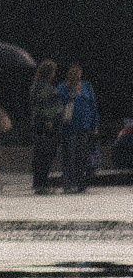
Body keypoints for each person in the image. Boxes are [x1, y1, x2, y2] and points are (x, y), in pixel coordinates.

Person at [60, 63, 98, 194]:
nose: (75, 76)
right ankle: (68, 183)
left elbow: (93, 106)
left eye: (78, 74)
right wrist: (70, 93)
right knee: (69, 155)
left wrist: (94, 125)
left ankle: (81, 183)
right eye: (73, 73)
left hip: (84, 126)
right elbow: (60, 103)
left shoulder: (87, 86)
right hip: (68, 127)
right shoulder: (63, 87)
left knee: (82, 155)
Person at [28, 60, 65, 194]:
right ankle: (41, 184)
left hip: (40, 124)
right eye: (53, 72)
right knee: (45, 154)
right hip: (46, 125)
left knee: (40, 154)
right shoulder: (44, 87)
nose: (54, 74)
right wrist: (48, 120)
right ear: (49, 73)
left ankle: (39, 182)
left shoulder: (37, 85)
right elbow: (44, 106)